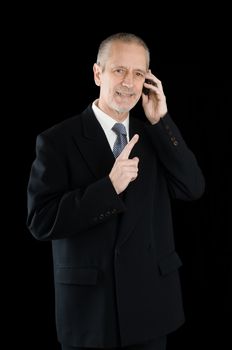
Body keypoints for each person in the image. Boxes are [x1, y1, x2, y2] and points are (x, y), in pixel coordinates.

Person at [26, 33, 205, 350]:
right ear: (98, 73)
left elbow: (192, 188)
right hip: (90, 311)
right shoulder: (56, 141)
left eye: (139, 73)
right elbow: (41, 221)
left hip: (151, 306)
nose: (129, 83)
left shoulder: (155, 135)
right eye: (119, 70)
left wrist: (161, 121)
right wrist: (108, 189)